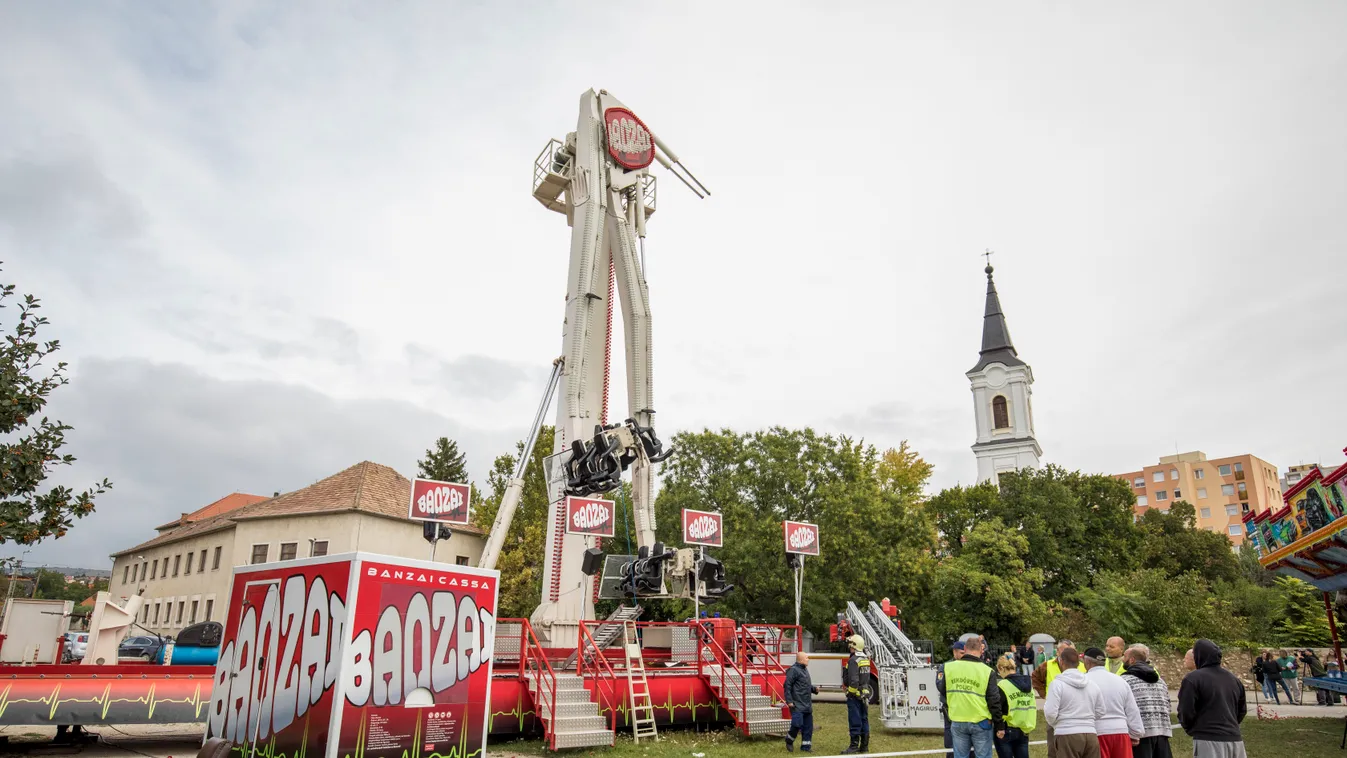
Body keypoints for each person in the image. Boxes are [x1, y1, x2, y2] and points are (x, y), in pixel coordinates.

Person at [1177, 639, 1247, 758]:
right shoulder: (1233, 679)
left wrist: (1192, 728)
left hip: (1208, 739)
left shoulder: (1193, 678)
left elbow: (1186, 710)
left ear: (1199, 655)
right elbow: (1242, 709)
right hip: (1235, 739)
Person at [939, 637, 1003, 758]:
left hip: (957, 719)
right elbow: (994, 700)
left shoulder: (949, 668)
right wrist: (999, 724)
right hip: (981, 721)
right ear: (981, 650)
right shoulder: (987, 671)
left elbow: (942, 689)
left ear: (964, 649)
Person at [1082, 647, 1142, 758]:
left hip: (1097, 732)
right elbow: (1132, 709)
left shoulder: (1084, 681)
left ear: (1087, 661)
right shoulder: (1120, 680)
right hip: (1121, 732)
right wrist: (1136, 733)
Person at [1044, 648, 1104, 758]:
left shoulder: (1057, 684)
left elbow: (1050, 713)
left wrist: (1058, 724)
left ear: (1061, 661)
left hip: (1066, 733)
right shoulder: (1091, 684)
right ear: (1079, 663)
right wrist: (1087, 721)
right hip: (1090, 733)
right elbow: (1101, 711)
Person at [1033, 639, 1087, 758]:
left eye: (1071, 650)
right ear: (1057, 651)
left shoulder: (1082, 666)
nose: (1068, 652)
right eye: (1063, 649)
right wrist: (1045, 695)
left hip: (1076, 711)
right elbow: (1035, 678)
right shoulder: (1047, 665)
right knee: (1053, 747)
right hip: (1055, 711)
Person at [1121, 644, 1173, 758]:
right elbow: (1168, 706)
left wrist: (1132, 732)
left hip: (1140, 735)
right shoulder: (1160, 681)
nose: (1122, 659)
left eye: (1124, 656)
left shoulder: (1125, 680)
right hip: (1162, 732)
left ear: (1132, 660)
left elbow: (1124, 709)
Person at [995, 654, 1034, 758]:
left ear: (1002, 668)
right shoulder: (1028, 684)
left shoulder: (1003, 685)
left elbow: (997, 708)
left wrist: (999, 727)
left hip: (1006, 729)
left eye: (999, 671)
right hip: (1024, 729)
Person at [841, 635, 871, 754]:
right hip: (864, 695)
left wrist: (850, 693)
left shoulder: (853, 660)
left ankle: (853, 746)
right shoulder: (865, 659)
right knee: (864, 719)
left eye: (851, 644)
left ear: (854, 646)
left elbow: (853, 681)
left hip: (855, 696)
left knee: (855, 720)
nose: (849, 647)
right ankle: (864, 747)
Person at [784, 651, 819, 752]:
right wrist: (789, 701)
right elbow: (787, 686)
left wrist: (814, 689)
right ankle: (789, 740)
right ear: (801, 659)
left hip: (807, 705)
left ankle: (806, 747)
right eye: (807, 658)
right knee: (797, 724)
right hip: (797, 704)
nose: (808, 659)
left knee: (808, 728)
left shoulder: (804, 670)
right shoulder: (793, 670)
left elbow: (805, 685)